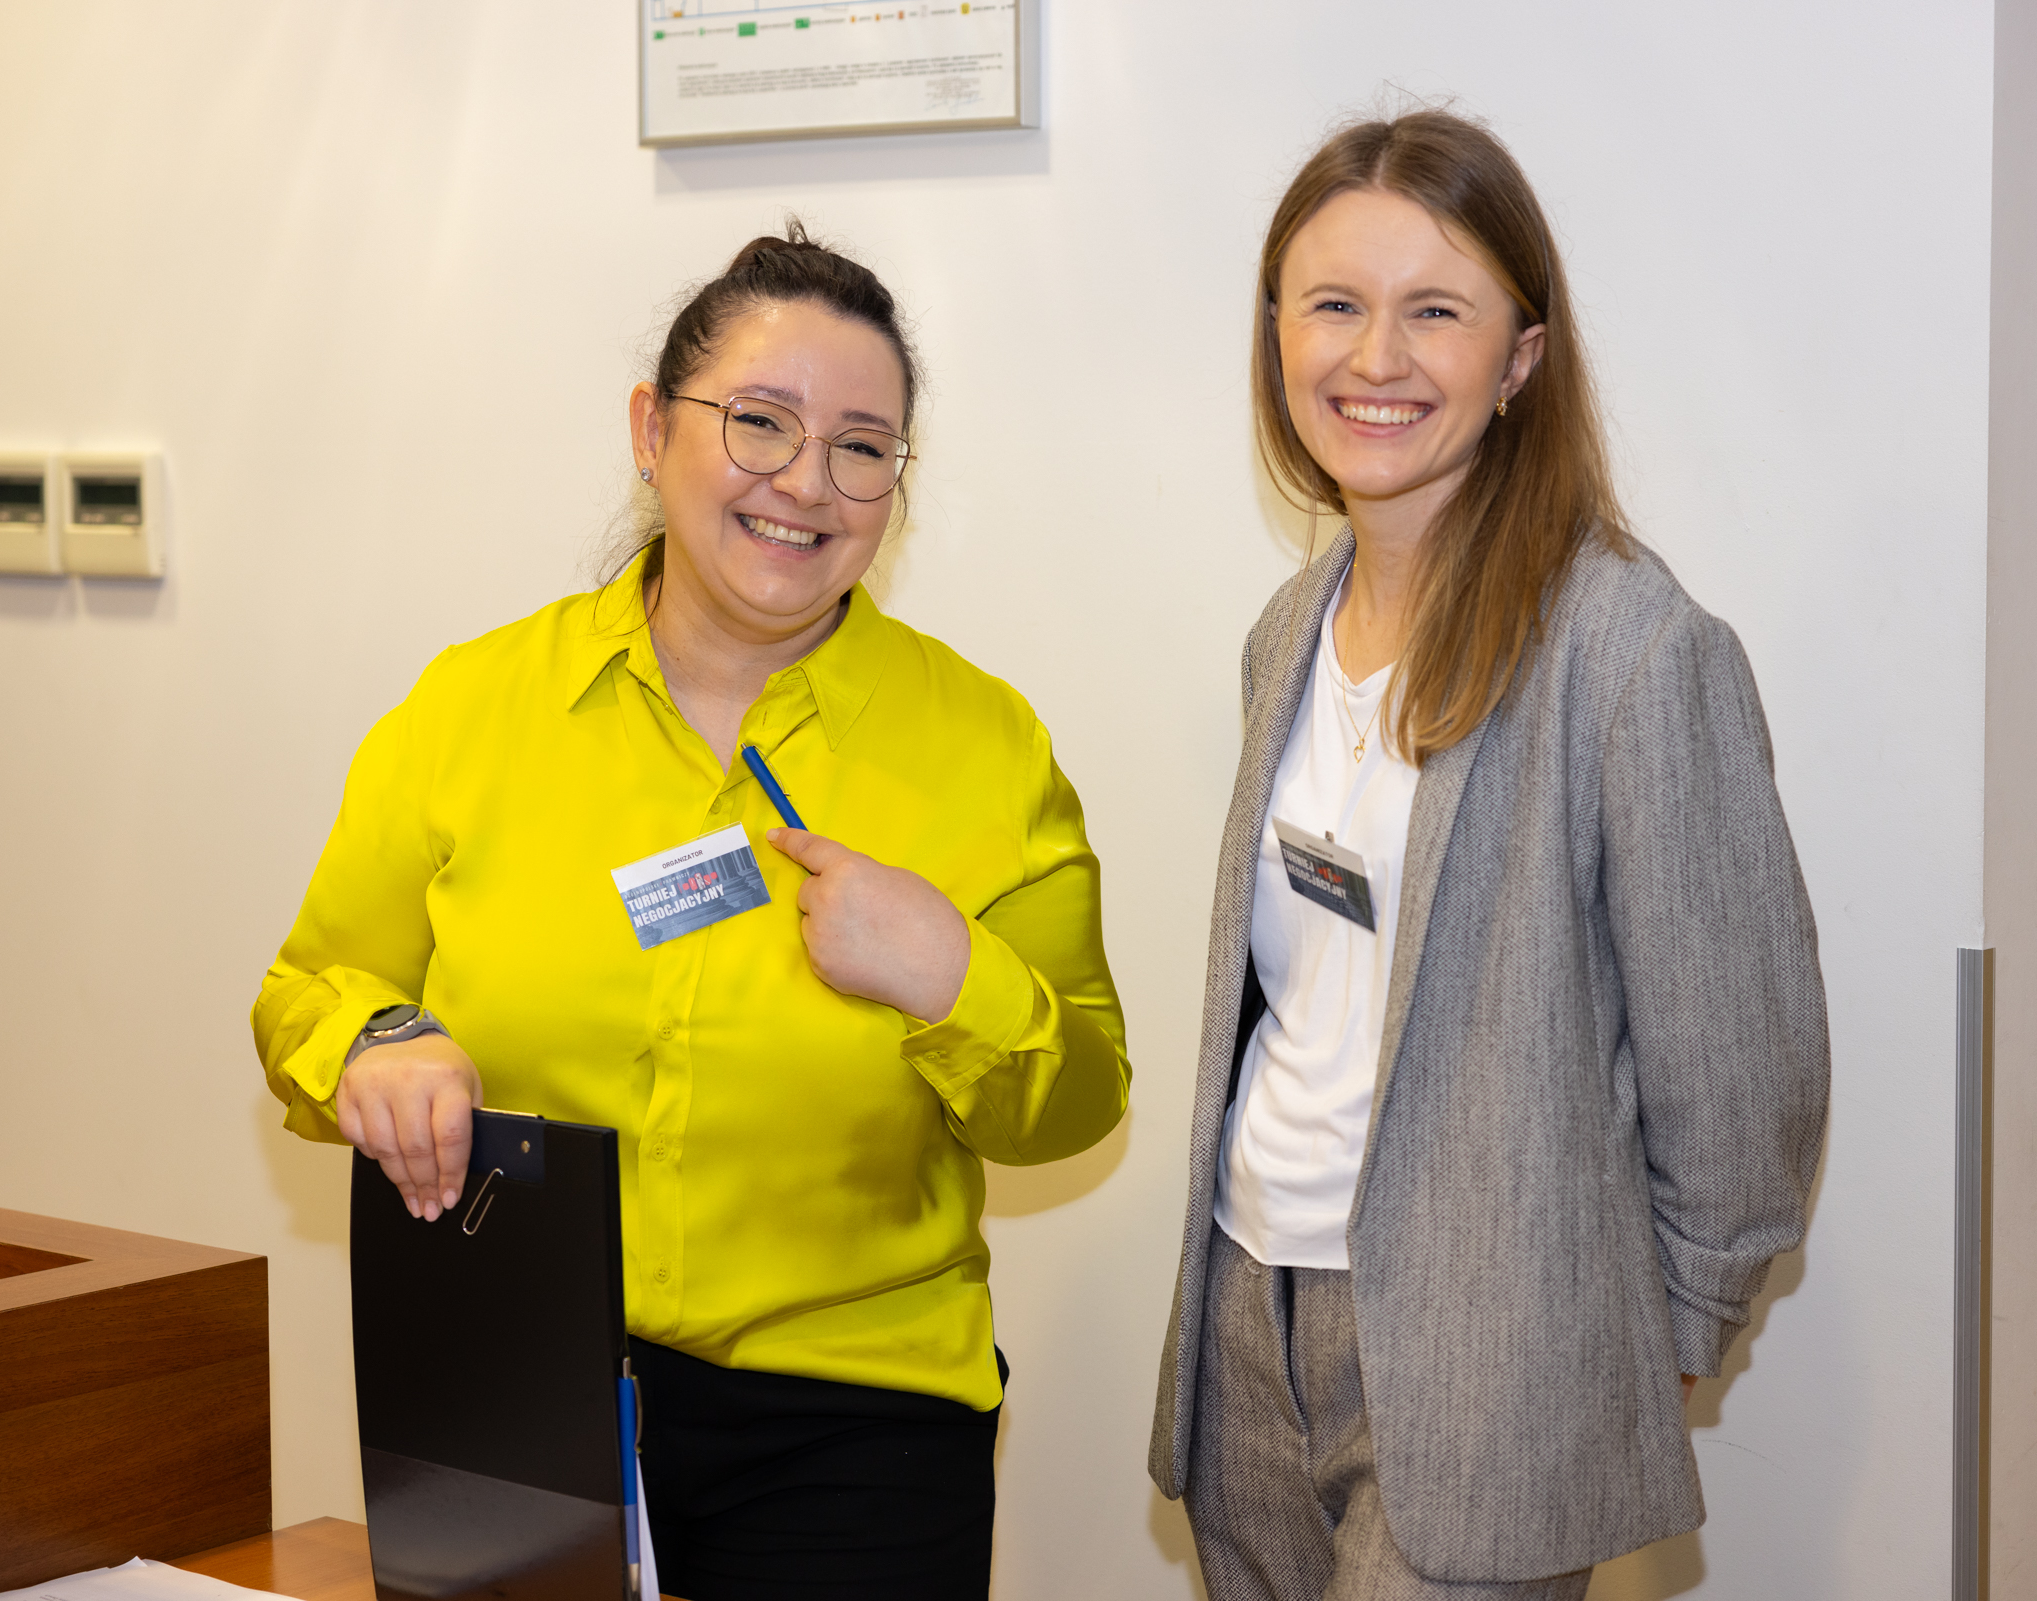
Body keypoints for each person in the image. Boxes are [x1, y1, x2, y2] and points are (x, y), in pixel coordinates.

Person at [254, 224, 1131, 1601]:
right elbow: (310, 991)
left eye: (862, 446)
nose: (808, 482)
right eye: (760, 422)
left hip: (857, 1424)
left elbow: (1078, 1100)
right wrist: (383, 1037)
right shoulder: (473, 707)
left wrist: (951, 972)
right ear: (651, 431)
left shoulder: (985, 746)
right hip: (511, 1384)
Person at [1148, 111, 1831, 1599]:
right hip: (1249, 1315)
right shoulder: (1286, 633)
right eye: (1334, 303)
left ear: (1520, 358)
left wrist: (1632, 1348)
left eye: (1436, 311)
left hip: (1490, 1356)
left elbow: (1744, 1081)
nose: (1374, 357)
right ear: (1277, 334)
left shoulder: (1632, 650)